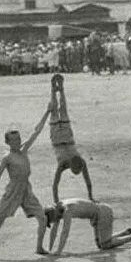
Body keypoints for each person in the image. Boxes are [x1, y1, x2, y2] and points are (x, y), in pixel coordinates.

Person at [0, 108, 51, 261]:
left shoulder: (24, 150)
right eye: (13, 140)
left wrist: (47, 111)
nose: (17, 142)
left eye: (18, 139)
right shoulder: (7, 157)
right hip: (13, 191)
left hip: (26, 190)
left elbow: (37, 130)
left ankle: (39, 247)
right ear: (7, 142)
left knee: (42, 217)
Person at [47, 74, 93, 203]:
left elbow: (55, 185)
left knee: (59, 110)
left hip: (62, 139)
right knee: (60, 109)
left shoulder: (70, 164)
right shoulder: (70, 164)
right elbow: (87, 181)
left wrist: (56, 201)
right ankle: (57, 89)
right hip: (62, 139)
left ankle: (56, 90)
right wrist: (90, 196)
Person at [45, 198, 131, 255]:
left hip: (103, 212)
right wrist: (50, 249)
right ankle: (125, 232)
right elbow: (54, 230)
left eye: (51, 220)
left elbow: (65, 232)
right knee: (100, 244)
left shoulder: (66, 210)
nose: (53, 222)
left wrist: (58, 251)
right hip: (97, 215)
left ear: (52, 214)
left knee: (105, 245)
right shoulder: (59, 206)